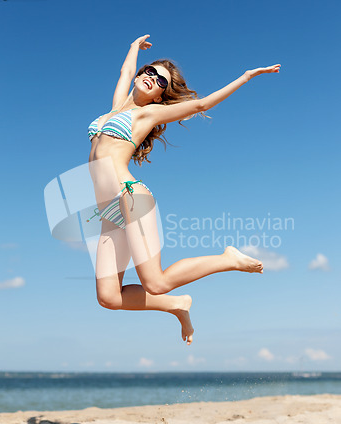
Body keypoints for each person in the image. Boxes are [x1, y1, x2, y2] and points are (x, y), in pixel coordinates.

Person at [87, 34, 281, 345]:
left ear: (160, 96)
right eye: (149, 72)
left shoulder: (148, 114)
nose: (152, 79)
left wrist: (247, 76)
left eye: (161, 82)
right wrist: (134, 49)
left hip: (129, 195)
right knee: (108, 297)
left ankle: (228, 259)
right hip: (108, 211)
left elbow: (202, 103)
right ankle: (177, 305)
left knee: (157, 281)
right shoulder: (116, 107)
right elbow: (124, 73)